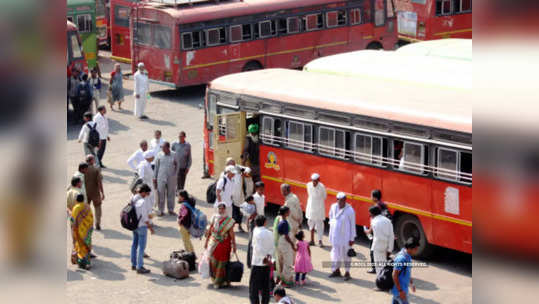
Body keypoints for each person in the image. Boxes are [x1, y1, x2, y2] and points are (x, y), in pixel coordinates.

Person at [204, 202, 237, 289]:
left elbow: (231, 233)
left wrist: (234, 245)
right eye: (219, 208)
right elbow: (210, 230)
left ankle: (218, 282)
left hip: (224, 245)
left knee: (222, 264)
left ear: (225, 209)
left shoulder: (229, 220)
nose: (221, 210)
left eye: (223, 209)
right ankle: (214, 279)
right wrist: (206, 242)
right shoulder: (214, 217)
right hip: (213, 243)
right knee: (213, 262)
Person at [328, 192, 356, 281]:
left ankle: (347, 272)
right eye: (340, 201)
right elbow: (331, 219)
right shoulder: (333, 207)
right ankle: (336, 270)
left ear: (345, 200)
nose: (341, 202)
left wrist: (352, 238)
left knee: (346, 255)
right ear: (337, 200)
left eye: (343, 200)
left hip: (346, 238)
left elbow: (352, 225)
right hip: (335, 236)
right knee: (335, 254)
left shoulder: (350, 210)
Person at [249, 215, 274, 304]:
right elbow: (272, 247)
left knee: (254, 287)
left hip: (257, 263)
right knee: (265, 286)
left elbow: (256, 248)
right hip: (267, 263)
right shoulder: (270, 233)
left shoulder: (255, 232)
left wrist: (263, 257)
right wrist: (268, 257)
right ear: (265, 222)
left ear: (255, 223)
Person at [131, 184, 155, 274]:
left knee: (134, 244)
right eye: (147, 193)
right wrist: (150, 227)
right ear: (143, 192)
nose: (147, 195)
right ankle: (139, 266)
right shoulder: (142, 202)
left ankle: (133, 264)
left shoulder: (133, 198)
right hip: (141, 226)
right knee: (141, 247)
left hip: (134, 225)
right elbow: (145, 217)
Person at [367, 189, 391, 274]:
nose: (370, 197)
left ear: (375, 198)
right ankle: (385, 267)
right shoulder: (384, 205)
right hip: (385, 232)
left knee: (373, 251)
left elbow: (374, 221)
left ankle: (375, 268)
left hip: (376, 233)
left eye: (371, 196)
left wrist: (369, 231)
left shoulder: (376, 207)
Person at [367, 205, 394, 276]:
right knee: (385, 266)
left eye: (370, 214)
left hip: (377, 247)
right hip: (386, 246)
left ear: (372, 214)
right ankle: (386, 282)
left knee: (379, 268)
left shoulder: (374, 221)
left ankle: (381, 284)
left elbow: (375, 235)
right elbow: (391, 236)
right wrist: (390, 249)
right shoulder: (388, 221)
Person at [273, 206, 296, 287]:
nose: (289, 212)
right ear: (286, 213)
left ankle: (279, 278)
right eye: (288, 211)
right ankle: (285, 281)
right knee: (287, 262)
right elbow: (286, 236)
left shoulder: (278, 219)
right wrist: (292, 244)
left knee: (280, 261)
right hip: (285, 244)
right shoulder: (285, 222)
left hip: (279, 243)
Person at [392, 237, 419, 304]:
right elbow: (394, 275)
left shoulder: (408, 256)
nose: (416, 250)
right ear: (410, 248)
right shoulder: (401, 259)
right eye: (415, 249)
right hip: (400, 291)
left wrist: (411, 284)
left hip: (402, 290)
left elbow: (407, 272)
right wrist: (400, 291)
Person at [153, 142, 177, 216]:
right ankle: (161, 210)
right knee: (161, 194)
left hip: (171, 178)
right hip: (161, 178)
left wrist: (175, 176)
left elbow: (177, 166)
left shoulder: (174, 154)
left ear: (168, 148)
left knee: (171, 194)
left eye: (163, 147)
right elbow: (156, 167)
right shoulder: (159, 155)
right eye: (162, 148)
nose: (162, 149)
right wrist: (155, 177)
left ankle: (171, 210)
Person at [71, 194, 94, 270]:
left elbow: (72, 220)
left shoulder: (76, 208)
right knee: (87, 246)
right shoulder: (87, 206)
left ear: (76, 200)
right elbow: (91, 217)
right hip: (87, 230)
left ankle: (82, 263)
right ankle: (88, 263)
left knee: (80, 247)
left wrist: (73, 229)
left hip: (79, 231)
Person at [306, 173, 327, 247]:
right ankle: (312, 240)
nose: (314, 183)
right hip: (311, 207)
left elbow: (324, 196)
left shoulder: (322, 187)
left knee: (319, 225)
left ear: (318, 180)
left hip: (319, 208)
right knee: (310, 223)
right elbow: (309, 195)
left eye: (315, 181)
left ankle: (320, 241)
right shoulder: (308, 185)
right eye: (313, 181)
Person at [85, 155, 105, 230]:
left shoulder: (83, 169)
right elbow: (99, 182)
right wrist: (102, 193)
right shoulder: (96, 169)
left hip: (85, 192)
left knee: (86, 208)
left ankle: (88, 223)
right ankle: (97, 223)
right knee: (98, 208)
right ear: (92, 160)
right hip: (95, 192)